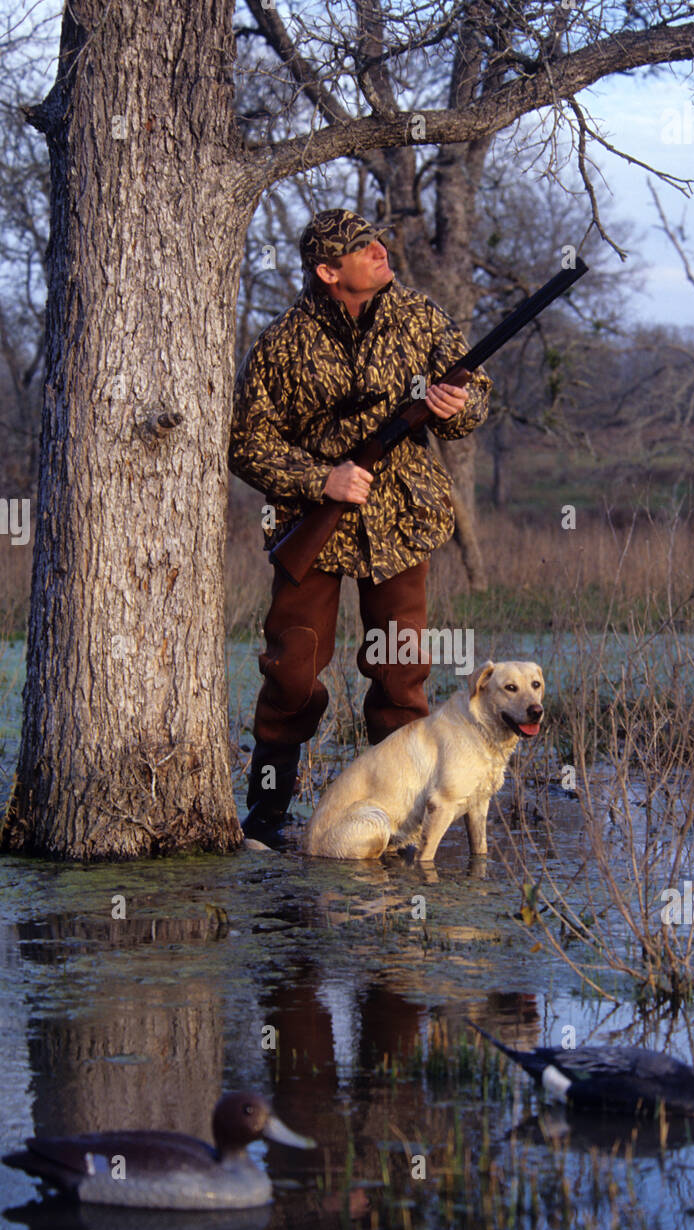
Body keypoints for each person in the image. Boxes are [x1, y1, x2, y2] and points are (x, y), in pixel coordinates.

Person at [228, 208, 492, 849]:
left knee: (401, 679)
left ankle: (401, 823)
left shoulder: (420, 317)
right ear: (328, 270)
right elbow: (246, 444)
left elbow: (475, 397)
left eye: (377, 240)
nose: (380, 251)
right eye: (361, 248)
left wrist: (460, 406)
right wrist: (321, 480)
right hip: (310, 522)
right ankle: (265, 819)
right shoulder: (283, 342)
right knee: (290, 673)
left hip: (401, 517)